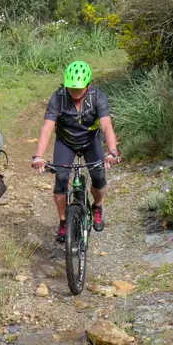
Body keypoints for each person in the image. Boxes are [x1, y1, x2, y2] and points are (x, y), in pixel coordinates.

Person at [31, 61, 120, 241]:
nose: (75, 93)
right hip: (66, 142)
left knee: (99, 175)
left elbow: (106, 126)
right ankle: (64, 222)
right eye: (71, 88)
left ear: (88, 86)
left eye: (79, 89)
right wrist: (39, 156)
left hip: (90, 141)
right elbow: (47, 128)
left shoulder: (97, 97)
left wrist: (112, 151)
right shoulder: (58, 98)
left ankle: (98, 206)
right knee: (61, 178)